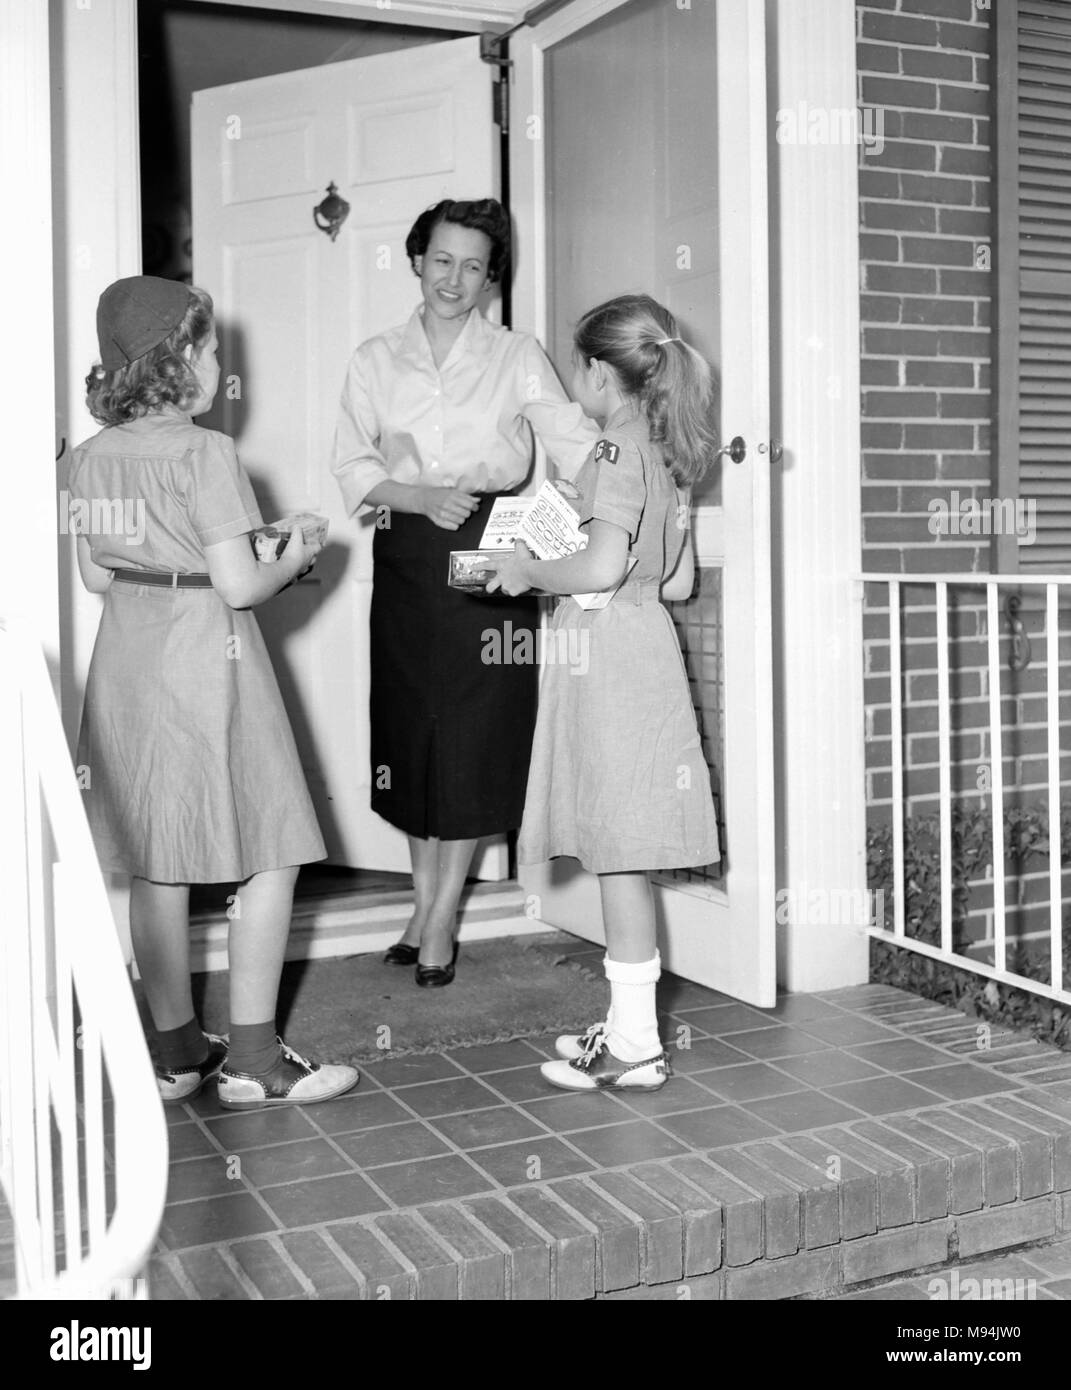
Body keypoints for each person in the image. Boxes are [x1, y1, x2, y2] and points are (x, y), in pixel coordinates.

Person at [70, 275, 359, 1109]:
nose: (219, 361)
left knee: (157, 863)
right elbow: (237, 587)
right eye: (208, 346)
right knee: (268, 849)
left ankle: (175, 1055)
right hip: (209, 657)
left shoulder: (88, 458)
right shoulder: (206, 452)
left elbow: (99, 572)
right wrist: (296, 553)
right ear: (179, 360)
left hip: (130, 655)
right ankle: (256, 1064)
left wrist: (243, 548)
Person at [332, 198, 598, 987]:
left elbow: (574, 443)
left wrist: (637, 463)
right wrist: (416, 499)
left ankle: (442, 919)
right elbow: (352, 466)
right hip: (410, 552)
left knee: (475, 735)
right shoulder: (373, 359)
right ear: (417, 260)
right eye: (442, 260)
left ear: (491, 277)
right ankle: (424, 905)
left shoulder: (517, 353)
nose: (455, 279)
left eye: (474, 266)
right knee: (415, 735)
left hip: (493, 554)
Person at [486, 293, 721, 1091]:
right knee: (623, 851)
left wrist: (525, 570)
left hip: (609, 655)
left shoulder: (616, 452)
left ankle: (635, 1048)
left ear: (595, 372)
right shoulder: (663, 451)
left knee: (620, 855)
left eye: (575, 366)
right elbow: (678, 579)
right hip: (641, 644)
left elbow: (596, 570)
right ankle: (629, 1029)